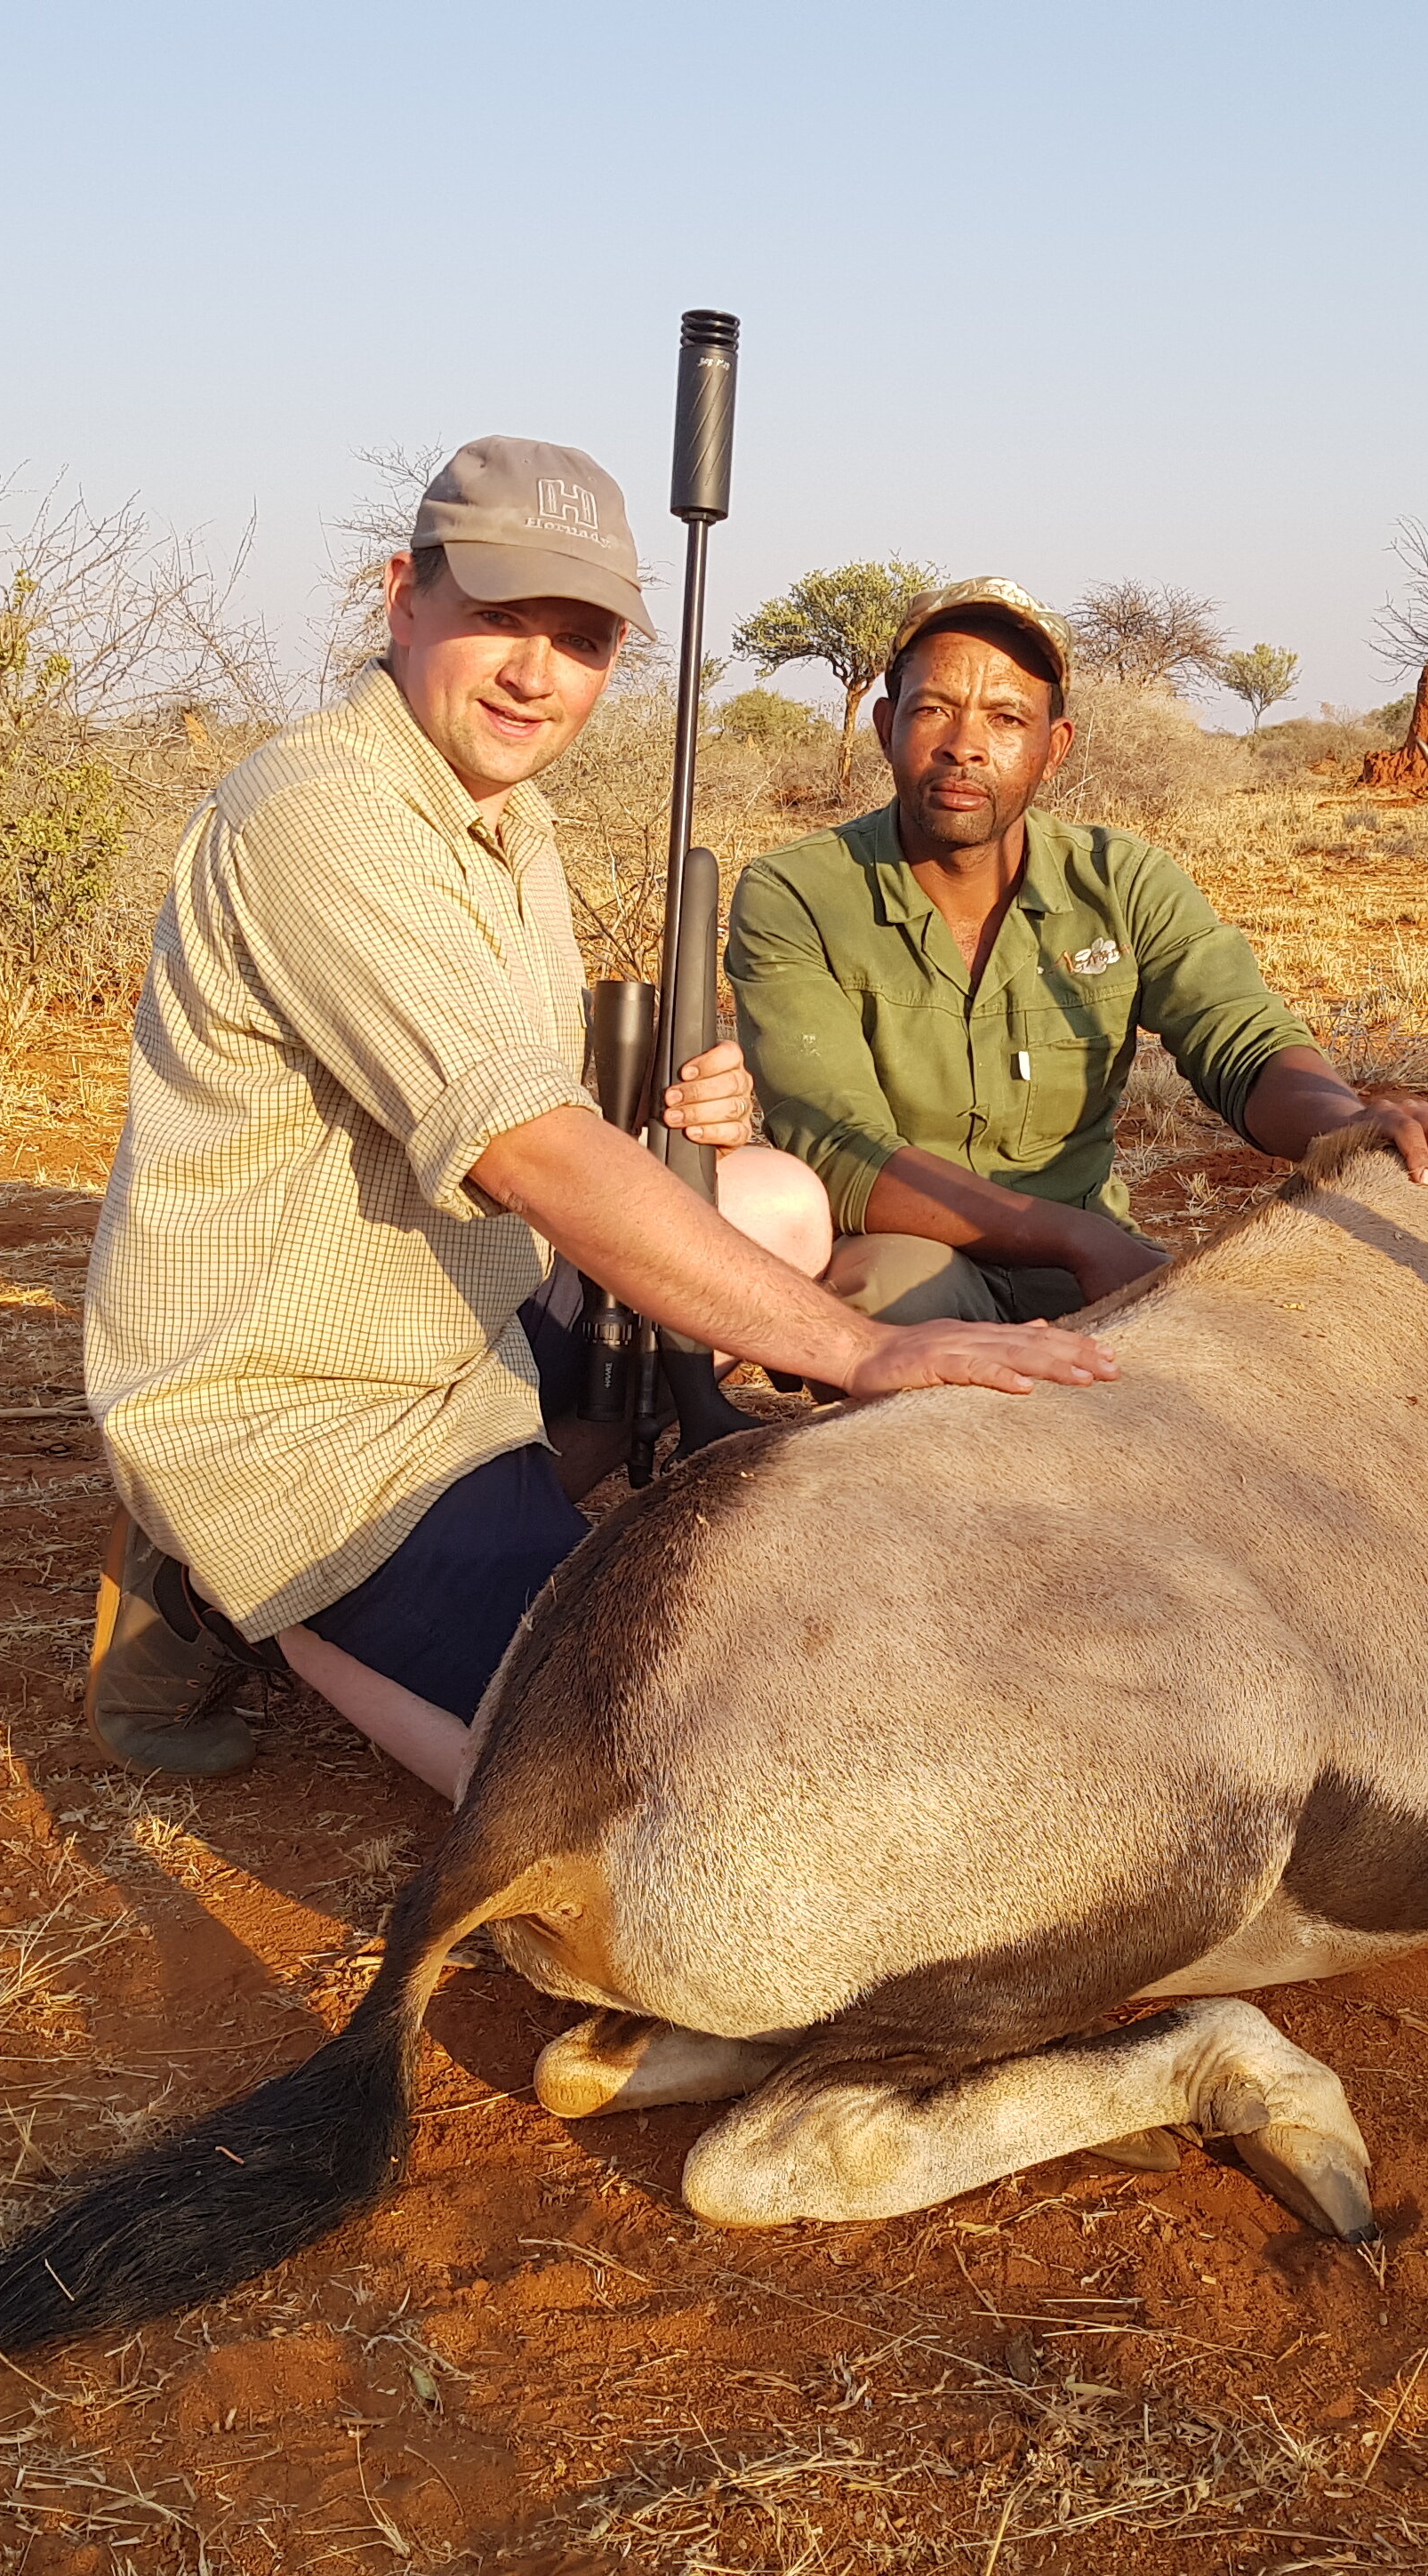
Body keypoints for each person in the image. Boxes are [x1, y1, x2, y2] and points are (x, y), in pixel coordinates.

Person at [82, 447, 1115, 1797]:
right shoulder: (323, 816)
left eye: (577, 640)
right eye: (499, 619)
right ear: (403, 599)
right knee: (647, 1776)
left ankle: (384, 1551)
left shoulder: (508, 817)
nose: (534, 673)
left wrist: (694, 1105)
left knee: (770, 1201)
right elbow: (524, 1150)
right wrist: (862, 1351)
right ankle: (230, 1577)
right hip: (318, 1410)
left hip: (461, 1320)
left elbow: (529, 1095)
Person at [726, 578, 1428, 1327]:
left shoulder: (1125, 879)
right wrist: (1075, 1235)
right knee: (898, 1289)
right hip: (921, 1252)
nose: (965, 747)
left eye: (1006, 718)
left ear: (1053, 747)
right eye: (935, 709)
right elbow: (839, 1147)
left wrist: (1348, 1124)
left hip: (1085, 1263)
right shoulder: (795, 892)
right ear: (887, 723)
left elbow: (1245, 1041)